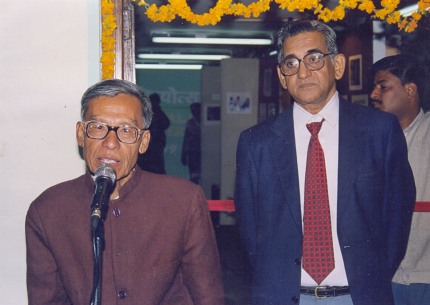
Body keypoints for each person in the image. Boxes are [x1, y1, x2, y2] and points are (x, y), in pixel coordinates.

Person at [234, 19, 415, 305]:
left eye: (314, 59)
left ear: (338, 66)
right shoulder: (256, 144)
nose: (303, 72)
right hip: (284, 297)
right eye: (291, 63)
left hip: (359, 296)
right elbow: (249, 231)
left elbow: (396, 219)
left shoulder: (379, 132)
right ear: (282, 76)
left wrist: (370, 277)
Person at [25, 79, 225, 305]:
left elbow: (208, 297)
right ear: (81, 134)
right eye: (98, 127)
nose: (110, 143)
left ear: (144, 141)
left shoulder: (183, 201)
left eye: (126, 130)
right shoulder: (47, 210)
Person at [370, 54, 430, 305]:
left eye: (383, 86)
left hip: (425, 277)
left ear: (410, 90)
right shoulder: (370, 138)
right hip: (382, 277)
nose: (373, 94)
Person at [137, 92, 170, 174]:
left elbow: (166, 123)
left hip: (156, 144)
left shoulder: (158, 112)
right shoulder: (145, 112)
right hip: (147, 144)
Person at [181, 102, 201, 184]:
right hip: (192, 153)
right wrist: (183, 155)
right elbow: (186, 140)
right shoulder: (190, 123)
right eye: (192, 110)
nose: (193, 112)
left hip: (202, 153)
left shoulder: (204, 123)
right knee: (194, 177)